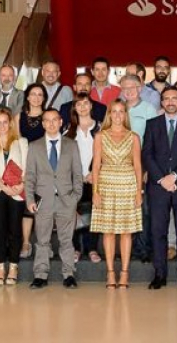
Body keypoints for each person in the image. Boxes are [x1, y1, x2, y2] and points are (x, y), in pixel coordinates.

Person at [142, 87, 177, 290]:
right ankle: (160, 274)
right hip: (158, 187)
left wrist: (174, 176)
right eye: (166, 98)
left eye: (174, 98)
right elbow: (147, 154)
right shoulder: (152, 124)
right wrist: (161, 179)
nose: (170, 102)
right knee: (158, 231)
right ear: (161, 102)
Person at [26, 109, 83, 289]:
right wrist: (30, 199)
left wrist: (75, 197)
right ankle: (40, 275)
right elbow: (30, 176)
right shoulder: (34, 146)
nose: (51, 124)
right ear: (43, 124)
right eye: (47, 120)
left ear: (60, 122)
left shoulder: (71, 145)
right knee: (42, 240)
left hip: (67, 200)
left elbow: (78, 174)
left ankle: (69, 274)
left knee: (67, 240)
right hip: (43, 200)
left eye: (54, 120)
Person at [90, 99, 142, 288]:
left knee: (126, 232)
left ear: (125, 114)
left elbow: (138, 166)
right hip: (106, 186)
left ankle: (125, 273)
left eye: (121, 111)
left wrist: (138, 191)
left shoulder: (133, 137)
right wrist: (95, 191)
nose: (118, 115)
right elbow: (96, 166)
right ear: (109, 114)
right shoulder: (100, 136)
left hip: (128, 186)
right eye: (114, 111)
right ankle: (110, 273)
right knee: (108, 232)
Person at [0, 108, 28, 285]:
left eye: (5, 122)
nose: (2, 126)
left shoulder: (21, 142)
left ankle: (14, 266)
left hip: (17, 191)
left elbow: (27, 167)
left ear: (10, 123)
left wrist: (21, 185)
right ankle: (1, 267)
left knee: (15, 231)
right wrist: (4, 187)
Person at [119, 73, 157, 263]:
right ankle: (127, 247)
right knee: (124, 208)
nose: (128, 91)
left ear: (140, 88)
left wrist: (148, 168)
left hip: (142, 162)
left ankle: (143, 248)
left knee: (143, 207)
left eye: (132, 87)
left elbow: (154, 140)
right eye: (124, 88)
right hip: (120, 163)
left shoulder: (149, 109)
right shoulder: (117, 108)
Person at [64, 94, 101, 263]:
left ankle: (92, 248)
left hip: (95, 178)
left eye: (86, 103)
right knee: (75, 214)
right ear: (74, 108)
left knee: (94, 214)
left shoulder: (100, 128)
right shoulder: (68, 130)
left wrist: (95, 173)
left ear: (91, 106)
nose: (83, 107)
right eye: (79, 104)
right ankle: (76, 248)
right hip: (74, 179)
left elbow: (106, 153)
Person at [15, 82, 47, 258]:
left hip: (45, 166)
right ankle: (26, 242)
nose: (36, 98)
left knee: (44, 206)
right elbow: (16, 144)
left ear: (44, 98)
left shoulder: (49, 116)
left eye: (40, 94)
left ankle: (44, 243)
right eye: (33, 94)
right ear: (27, 97)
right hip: (24, 166)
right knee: (28, 205)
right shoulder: (18, 117)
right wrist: (23, 168)